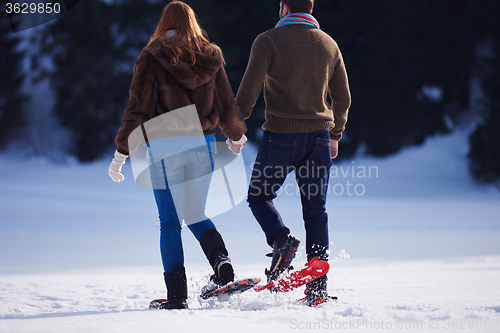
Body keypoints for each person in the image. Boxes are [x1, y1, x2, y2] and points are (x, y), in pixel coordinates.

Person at [108, 1, 247, 309]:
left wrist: (122, 152)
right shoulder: (210, 56)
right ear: (192, 23)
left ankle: (176, 298)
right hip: (203, 145)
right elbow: (226, 103)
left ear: (164, 22)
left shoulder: (152, 56)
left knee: (170, 221)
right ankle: (221, 261)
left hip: (164, 145)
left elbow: (138, 109)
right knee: (195, 213)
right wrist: (236, 135)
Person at [235, 0, 351, 306]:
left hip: (281, 137)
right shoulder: (329, 44)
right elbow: (343, 97)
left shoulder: (268, 40)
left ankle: (281, 241)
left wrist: (236, 127)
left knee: (259, 196)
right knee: (316, 211)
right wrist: (335, 135)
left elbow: (249, 90)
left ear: (284, 8)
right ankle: (317, 291)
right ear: (310, 10)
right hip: (319, 139)